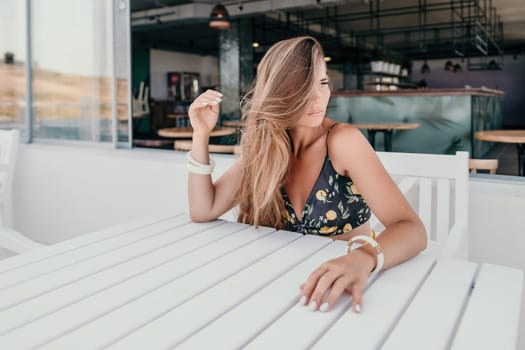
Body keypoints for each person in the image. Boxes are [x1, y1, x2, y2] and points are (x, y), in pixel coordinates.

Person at [186, 36, 427, 313]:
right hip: (283, 289)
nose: (318, 99)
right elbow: (203, 209)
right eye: (302, 88)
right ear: (278, 92)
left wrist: (364, 257)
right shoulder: (266, 146)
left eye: (323, 84)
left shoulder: (342, 142)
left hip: (346, 294)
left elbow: (412, 230)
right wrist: (201, 134)